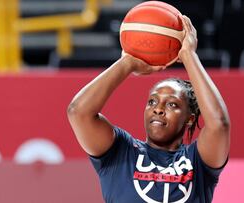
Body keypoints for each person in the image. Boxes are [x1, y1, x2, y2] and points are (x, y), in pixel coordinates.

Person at [67, 15, 230, 203]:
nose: (158, 109)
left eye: (172, 104)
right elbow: (78, 112)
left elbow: (219, 123)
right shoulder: (120, 152)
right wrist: (127, 63)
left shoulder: (199, 162)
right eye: (152, 102)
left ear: (190, 118)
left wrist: (188, 55)